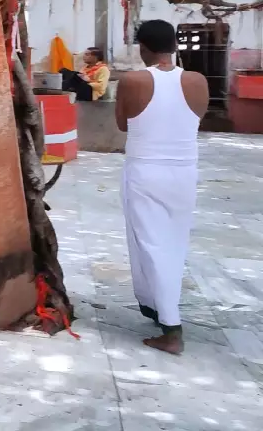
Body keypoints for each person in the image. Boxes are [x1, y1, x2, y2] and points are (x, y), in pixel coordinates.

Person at [114, 20, 208, 355]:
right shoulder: (197, 81)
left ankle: (171, 329)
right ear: (174, 45)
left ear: (143, 47)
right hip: (184, 173)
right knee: (173, 243)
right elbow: (193, 120)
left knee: (150, 244)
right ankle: (156, 307)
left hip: (145, 171)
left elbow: (122, 124)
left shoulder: (133, 80)